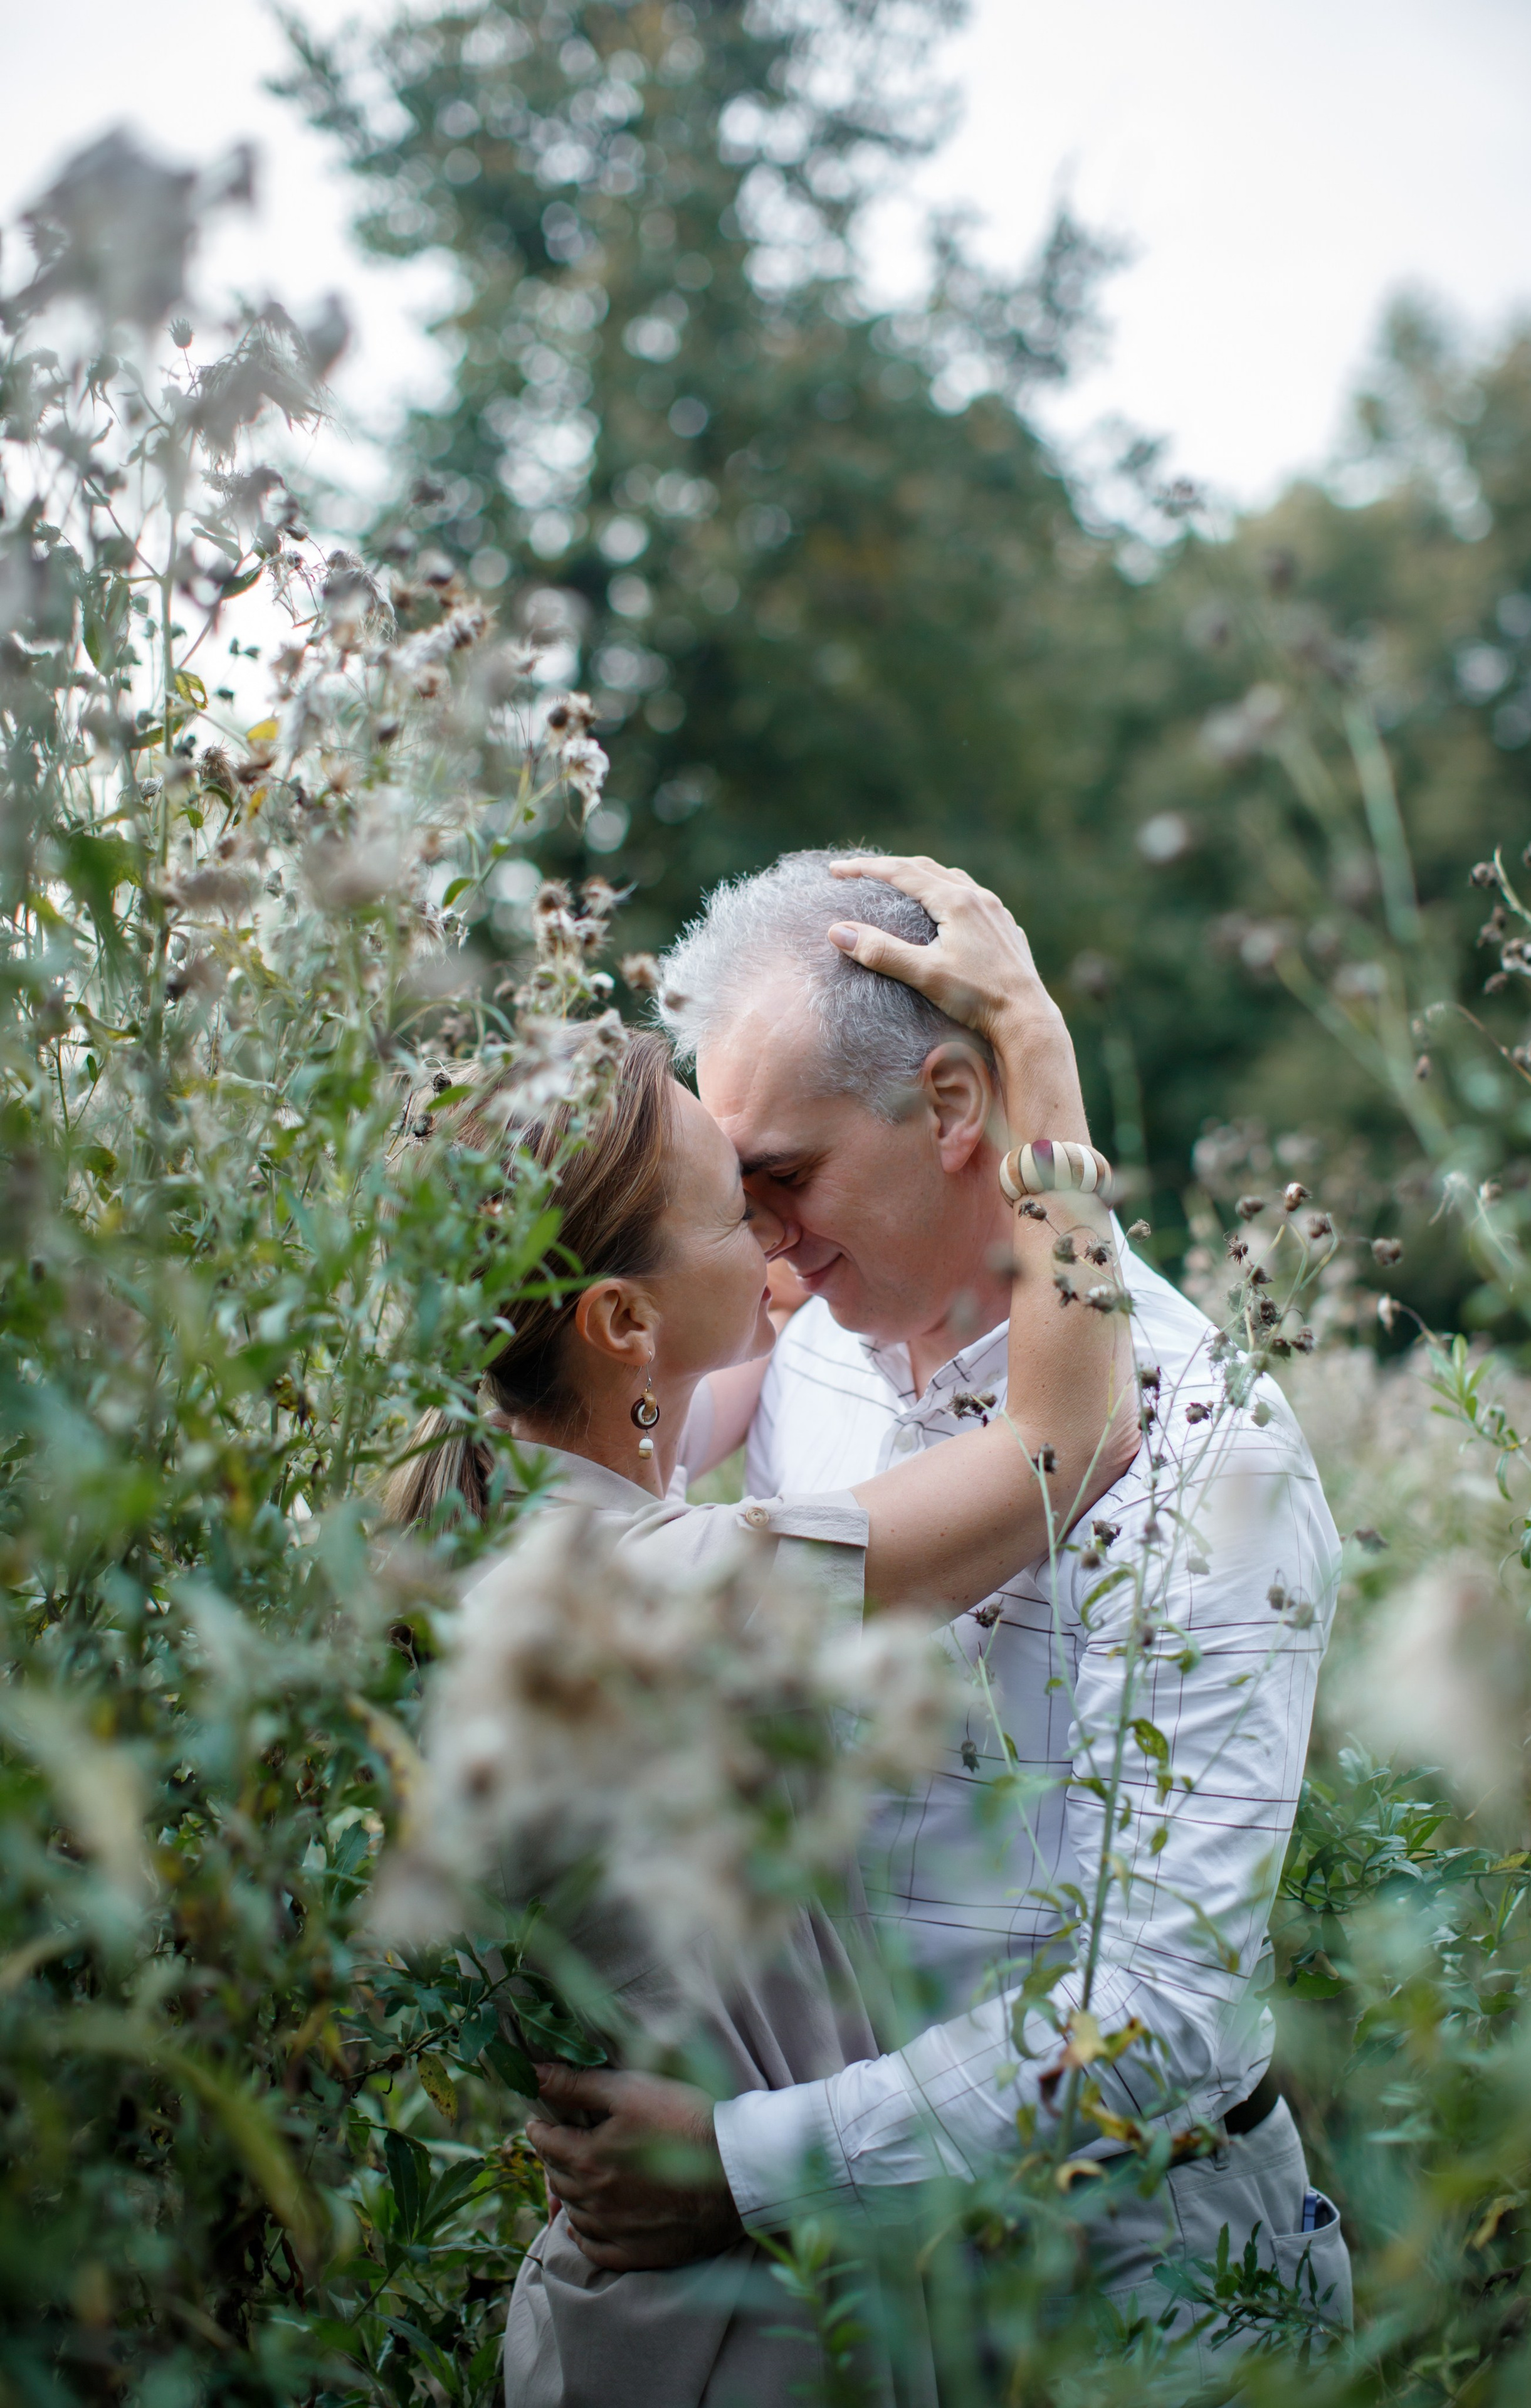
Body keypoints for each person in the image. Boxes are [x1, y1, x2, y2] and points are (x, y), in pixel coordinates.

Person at [522, 851, 1352, 2353]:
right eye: (734, 1192)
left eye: (782, 1177)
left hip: (1138, 2303)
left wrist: (743, 2167)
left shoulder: (1206, 1455)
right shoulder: (804, 1355)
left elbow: (1158, 2010)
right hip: (853, 2324)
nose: (761, 1239)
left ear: (956, 1109)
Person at [391, 858, 1140, 2407]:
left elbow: (676, 1402)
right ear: (615, 1323)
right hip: (739, 2345)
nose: (782, 1243)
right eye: (739, 1210)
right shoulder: (664, 1587)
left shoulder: (483, 1508)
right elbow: (1066, 1438)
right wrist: (1036, 1076)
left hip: (623, 2328)